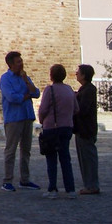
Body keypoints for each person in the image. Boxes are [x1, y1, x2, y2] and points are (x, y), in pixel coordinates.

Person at [0, 50, 41, 191]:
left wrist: (26, 83)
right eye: (18, 62)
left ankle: (25, 179)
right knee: (11, 150)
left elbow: (36, 93)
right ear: (11, 64)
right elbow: (12, 97)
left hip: (27, 116)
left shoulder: (25, 77)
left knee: (26, 150)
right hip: (14, 118)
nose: (21, 64)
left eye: (21, 61)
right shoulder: (5, 79)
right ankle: (7, 180)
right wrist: (24, 96)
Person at [38, 63, 78, 197]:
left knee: (51, 159)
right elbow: (76, 109)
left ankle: (53, 188)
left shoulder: (50, 90)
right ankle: (70, 189)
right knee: (65, 158)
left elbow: (43, 109)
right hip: (67, 126)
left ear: (51, 76)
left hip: (52, 127)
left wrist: (42, 120)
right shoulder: (69, 89)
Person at [74, 63, 100, 195]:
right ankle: (89, 184)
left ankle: (92, 185)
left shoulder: (89, 90)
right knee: (84, 158)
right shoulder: (84, 89)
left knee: (88, 158)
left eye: (78, 72)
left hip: (86, 129)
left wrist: (74, 99)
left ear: (84, 75)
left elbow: (82, 109)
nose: (76, 74)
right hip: (82, 129)